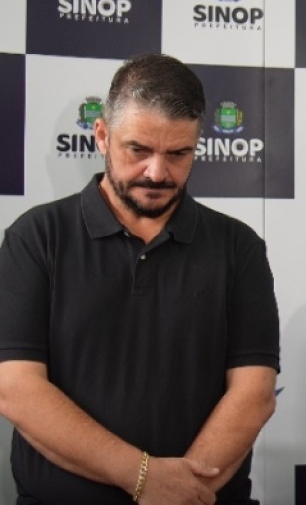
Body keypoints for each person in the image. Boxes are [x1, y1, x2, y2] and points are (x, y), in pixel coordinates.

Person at [0, 54, 280, 505]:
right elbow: (16, 389)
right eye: (138, 150)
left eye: (178, 154)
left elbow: (254, 393)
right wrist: (144, 479)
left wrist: (180, 495)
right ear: (102, 136)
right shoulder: (37, 237)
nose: (156, 172)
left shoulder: (238, 246)